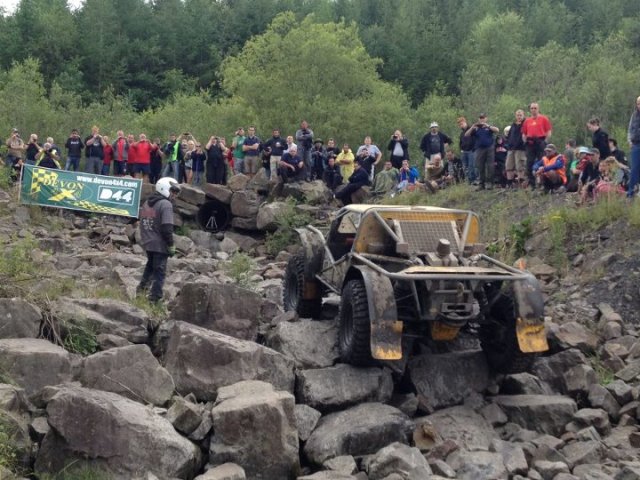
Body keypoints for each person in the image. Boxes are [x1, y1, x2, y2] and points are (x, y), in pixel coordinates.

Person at [137, 177, 181, 303]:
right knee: (159, 272)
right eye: (172, 191)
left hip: (148, 242)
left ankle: (140, 293)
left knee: (150, 268)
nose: (174, 195)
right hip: (160, 244)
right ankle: (154, 299)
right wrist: (171, 244)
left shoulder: (147, 203)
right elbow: (167, 228)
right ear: (164, 189)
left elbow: (143, 223)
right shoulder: (166, 204)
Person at [522, 102, 553, 188]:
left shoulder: (544, 119)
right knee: (529, 163)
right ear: (530, 110)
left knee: (542, 162)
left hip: (540, 141)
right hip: (530, 143)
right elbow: (524, 133)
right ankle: (532, 184)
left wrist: (545, 142)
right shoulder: (527, 120)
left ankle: (543, 184)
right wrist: (525, 142)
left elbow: (548, 132)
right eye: (532, 108)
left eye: (535, 108)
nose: (533, 110)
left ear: (538, 109)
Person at [465, 113, 499, 190]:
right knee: (480, 166)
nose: (482, 119)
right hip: (479, 149)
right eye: (480, 118)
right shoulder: (476, 128)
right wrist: (472, 127)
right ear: (479, 119)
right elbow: (466, 135)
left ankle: (490, 183)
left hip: (489, 148)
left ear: (486, 118)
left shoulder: (489, 127)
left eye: (483, 118)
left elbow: (497, 130)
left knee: (490, 166)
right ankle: (481, 184)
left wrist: (488, 126)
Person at [505, 110, 527, 187]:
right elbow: (509, 135)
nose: (519, 117)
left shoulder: (525, 124)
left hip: (520, 148)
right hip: (511, 148)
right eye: (517, 115)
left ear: (523, 115)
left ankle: (521, 183)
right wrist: (508, 143)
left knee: (520, 166)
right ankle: (510, 183)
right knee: (509, 166)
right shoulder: (513, 125)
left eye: (520, 115)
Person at [627, 95, 640, 198]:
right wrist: (629, 141)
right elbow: (630, 129)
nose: (639, 105)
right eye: (638, 103)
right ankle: (631, 193)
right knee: (634, 168)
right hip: (636, 144)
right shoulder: (634, 115)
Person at [457, 117, 476, 184]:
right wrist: (461, 149)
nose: (461, 125)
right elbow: (460, 142)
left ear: (465, 122)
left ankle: (473, 180)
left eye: (462, 123)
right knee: (465, 167)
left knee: (471, 166)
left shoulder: (472, 129)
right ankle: (468, 180)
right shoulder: (462, 133)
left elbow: (475, 139)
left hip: (471, 150)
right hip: (464, 151)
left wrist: (474, 148)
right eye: (459, 124)